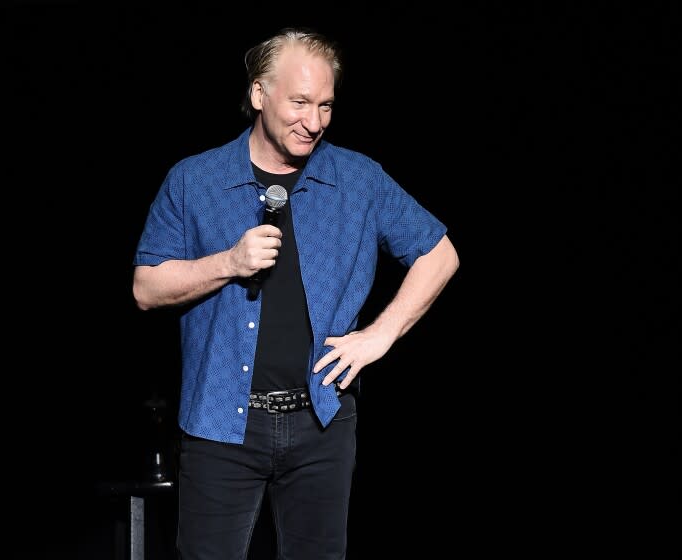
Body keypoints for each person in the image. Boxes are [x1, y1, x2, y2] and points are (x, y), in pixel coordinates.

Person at [132, 26, 460, 560]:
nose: (314, 122)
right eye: (300, 102)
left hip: (323, 423)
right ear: (260, 94)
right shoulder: (195, 180)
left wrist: (379, 336)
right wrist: (229, 263)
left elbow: (439, 253)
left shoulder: (357, 178)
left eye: (326, 105)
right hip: (220, 426)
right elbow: (145, 288)